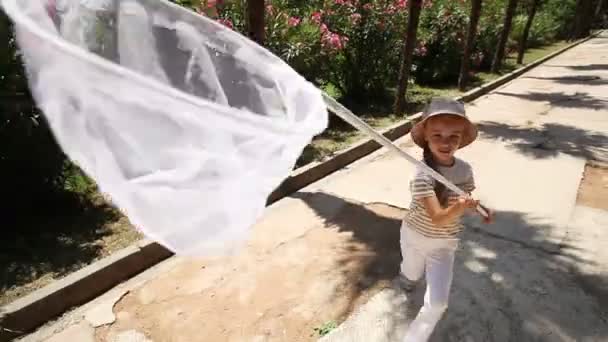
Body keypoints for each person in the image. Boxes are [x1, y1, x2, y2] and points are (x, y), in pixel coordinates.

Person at [397, 97, 493, 342]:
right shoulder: (421, 176)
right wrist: (460, 207)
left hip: (444, 244)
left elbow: (463, 197)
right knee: (411, 271)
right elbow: (439, 217)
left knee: (438, 303)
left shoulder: (465, 170)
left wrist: (476, 207)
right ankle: (406, 279)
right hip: (415, 236)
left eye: (454, 136)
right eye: (437, 135)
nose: (446, 142)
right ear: (426, 137)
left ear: (462, 139)